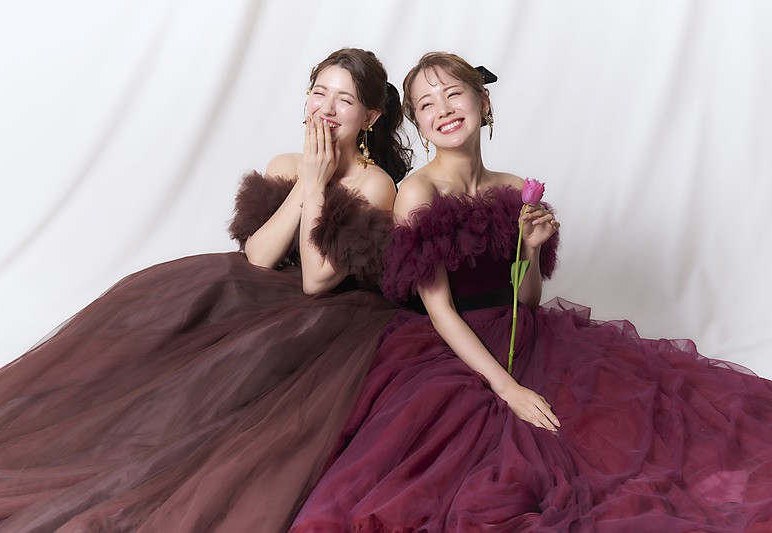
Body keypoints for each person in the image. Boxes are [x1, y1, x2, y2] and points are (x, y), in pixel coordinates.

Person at [291, 52, 772, 532]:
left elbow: (526, 301)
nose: (444, 110)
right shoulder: (419, 192)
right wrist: (507, 388)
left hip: (528, 338)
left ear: (483, 103)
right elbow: (439, 311)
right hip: (452, 348)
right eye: (427, 105)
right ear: (418, 123)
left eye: (453, 94)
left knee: (620, 441)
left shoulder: (516, 187)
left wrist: (532, 251)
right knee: (497, 462)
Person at [0, 48, 411, 532]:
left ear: (370, 117)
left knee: (246, 359)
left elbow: (314, 281)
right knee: (167, 316)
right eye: (318, 93)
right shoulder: (286, 162)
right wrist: (306, 178)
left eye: (344, 100)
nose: (325, 109)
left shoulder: (376, 184)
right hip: (263, 289)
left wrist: (317, 186)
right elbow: (259, 256)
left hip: (326, 314)